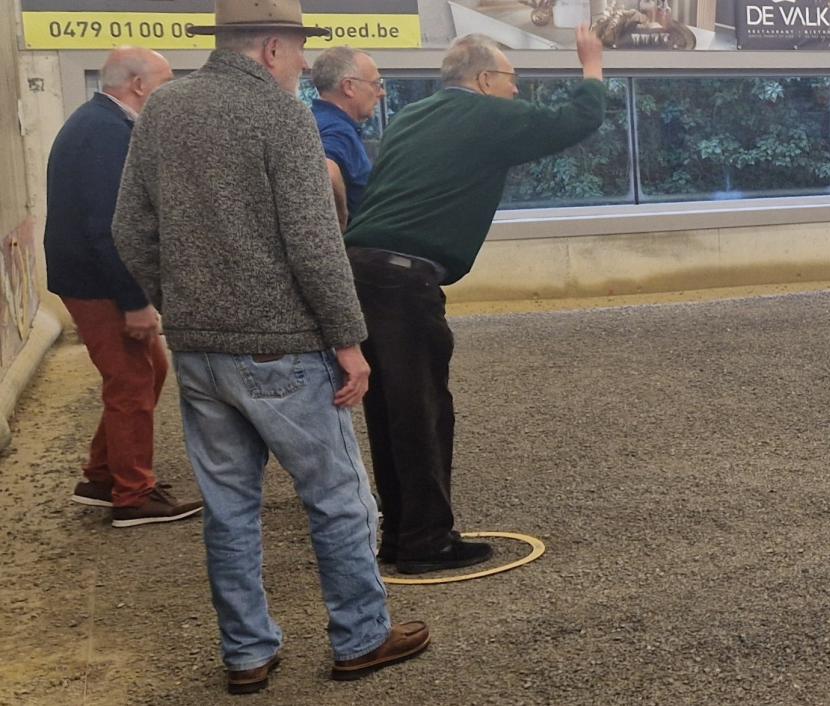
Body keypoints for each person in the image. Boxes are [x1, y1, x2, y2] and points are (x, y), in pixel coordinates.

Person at [112, 0, 428, 694]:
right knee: (339, 498)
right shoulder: (281, 116)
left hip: (198, 350)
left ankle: (246, 653)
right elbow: (315, 245)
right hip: (280, 348)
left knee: (228, 507)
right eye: (300, 54)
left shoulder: (163, 108)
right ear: (272, 49)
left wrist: (184, 305)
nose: (305, 70)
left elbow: (129, 226)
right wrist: (350, 342)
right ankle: (360, 637)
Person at [343, 29, 606, 575]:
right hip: (404, 280)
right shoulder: (485, 115)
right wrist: (591, 66)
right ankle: (426, 541)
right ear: (485, 80)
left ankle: (399, 533)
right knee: (424, 410)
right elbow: (576, 121)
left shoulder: (412, 117)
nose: (515, 92)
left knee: (389, 409)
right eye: (512, 81)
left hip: (360, 269)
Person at [44, 47, 204, 528]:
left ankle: (101, 476)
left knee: (147, 369)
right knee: (133, 379)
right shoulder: (105, 134)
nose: (170, 88)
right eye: (165, 79)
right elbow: (107, 227)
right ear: (137, 85)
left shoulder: (101, 124)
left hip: (90, 278)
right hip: (98, 283)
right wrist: (135, 303)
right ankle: (133, 496)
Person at [310, 47, 385, 231]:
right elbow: (327, 170)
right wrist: (342, 224)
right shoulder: (338, 130)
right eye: (376, 84)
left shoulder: (313, 120)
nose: (382, 93)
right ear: (348, 87)